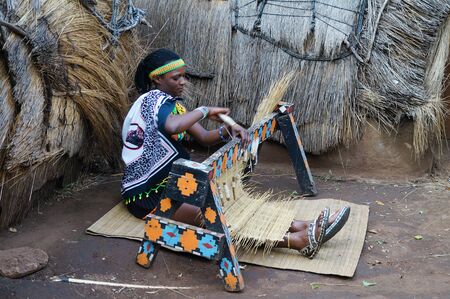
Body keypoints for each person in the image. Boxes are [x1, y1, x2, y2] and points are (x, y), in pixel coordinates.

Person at [121, 49, 349, 258]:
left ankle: (304, 226)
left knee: (228, 204)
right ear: (157, 79)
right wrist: (205, 110)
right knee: (217, 216)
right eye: (176, 78)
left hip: (171, 184)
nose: (183, 82)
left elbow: (203, 137)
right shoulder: (150, 101)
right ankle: (296, 241)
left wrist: (226, 131)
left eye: (184, 76)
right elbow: (173, 127)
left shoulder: (174, 106)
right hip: (147, 196)